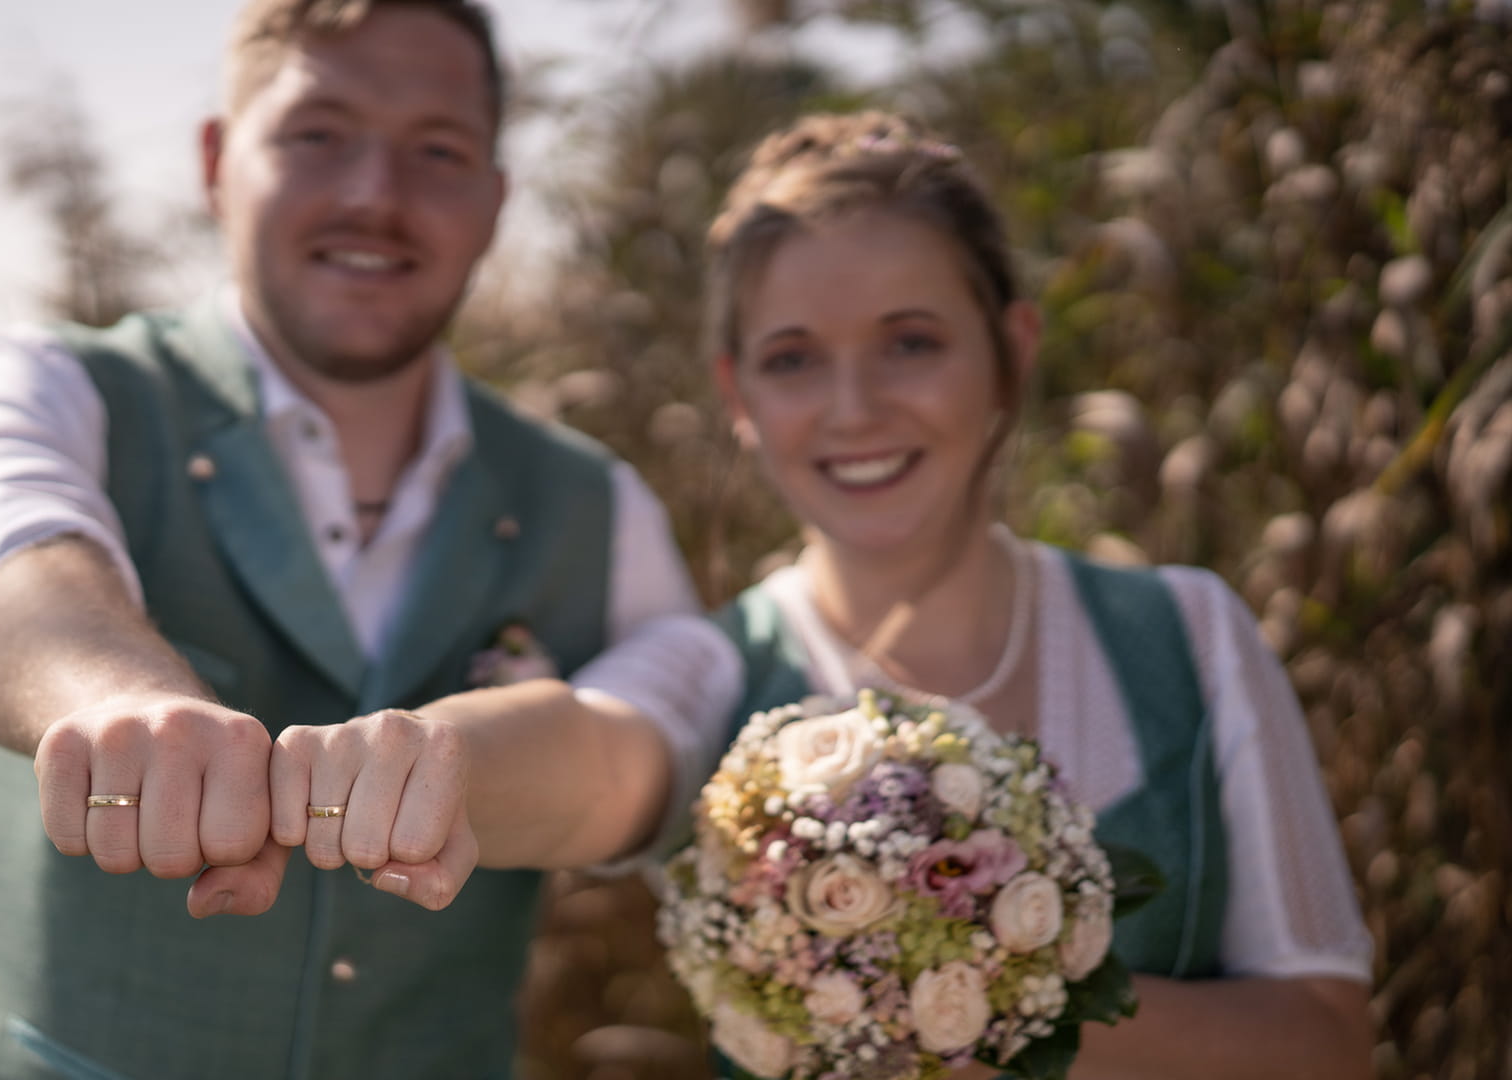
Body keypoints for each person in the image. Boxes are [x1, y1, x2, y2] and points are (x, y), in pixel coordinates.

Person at [315, 111, 1375, 1079]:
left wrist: (995, 992)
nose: (855, 408)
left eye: (911, 342)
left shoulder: (1189, 633)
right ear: (738, 394)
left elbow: (1326, 1042)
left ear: (1010, 353)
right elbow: (594, 751)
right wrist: (428, 761)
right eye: (793, 360)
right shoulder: (717, 668)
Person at [0, 2, 711, 1077]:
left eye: (438, 149)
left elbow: (665, 723)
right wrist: (121, 704)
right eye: (317, 134)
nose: (376, 196)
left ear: (494, 199)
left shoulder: (598, 503)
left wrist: (465, 768)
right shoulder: (44, 383)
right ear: (218, 159)